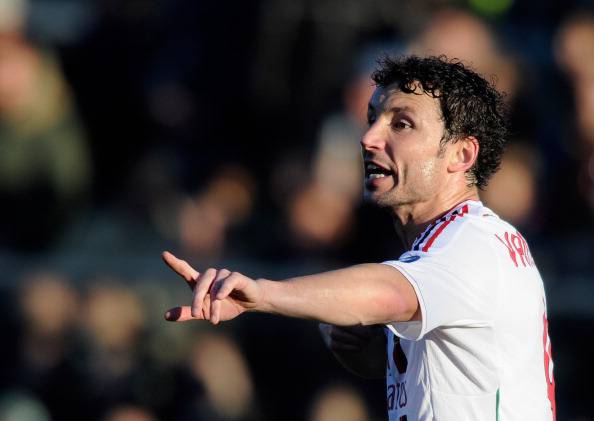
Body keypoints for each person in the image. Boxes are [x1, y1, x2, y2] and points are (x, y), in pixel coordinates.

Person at [162, 55, 556, 421]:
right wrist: (370, 352)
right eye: (372, 119)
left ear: (461, 155)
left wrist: (263, 294)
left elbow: (390, 294)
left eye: (401, 124)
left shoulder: (471, 241)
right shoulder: (454, 246)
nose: (368, 137)